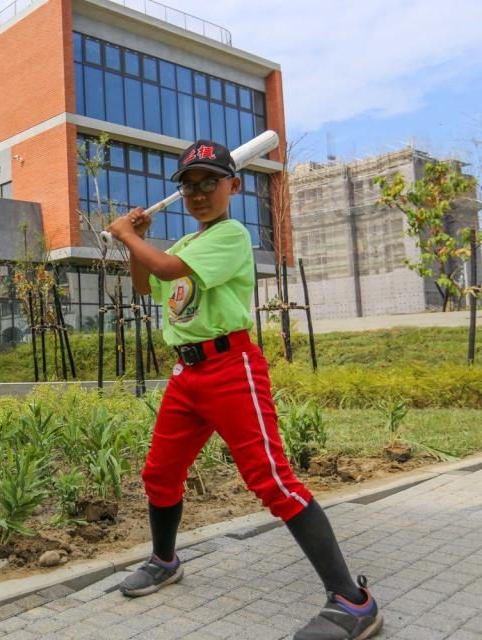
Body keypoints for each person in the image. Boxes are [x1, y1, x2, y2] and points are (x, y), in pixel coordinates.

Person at [104, 139, 382, 640]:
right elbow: (149, 284)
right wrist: (138, 242)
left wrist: (128, 236)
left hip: (232, 369)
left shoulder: (231, 236)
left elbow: (164, 269)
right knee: (159, 473)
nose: (199, 192)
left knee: (272, 481)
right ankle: (165, 561)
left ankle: (353, 601)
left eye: (211, 181)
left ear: (233, 186)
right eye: (189, 185)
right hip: (187, 375)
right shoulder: (185, 245)